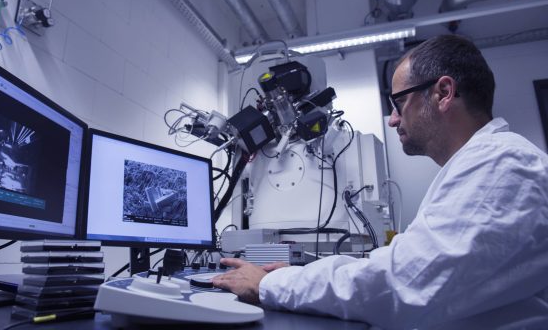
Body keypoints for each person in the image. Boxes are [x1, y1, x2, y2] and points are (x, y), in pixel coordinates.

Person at [213, 35, 548, 329]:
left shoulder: (501, 165)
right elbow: (408, 269)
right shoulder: (485, 164)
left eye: (399, 102)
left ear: (444, 93)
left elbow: (403, 281)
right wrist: (298, 275)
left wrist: (273, 284)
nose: (392, 119)